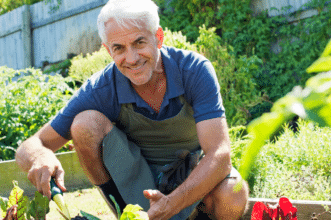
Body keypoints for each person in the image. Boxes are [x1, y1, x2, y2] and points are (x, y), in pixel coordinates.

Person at [15, 0, 249, 219]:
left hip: (191, 177)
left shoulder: (193, 70)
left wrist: (171, 203)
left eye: (139, 42)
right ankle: (125, 214)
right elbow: (29, 147)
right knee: (84, 124)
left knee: (233, 193)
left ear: (158, 37)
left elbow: (220, 156)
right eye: (119, 48)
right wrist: (40, 155)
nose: (132, 58)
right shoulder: (102, 88)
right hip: (136, 185)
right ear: (109, 51)